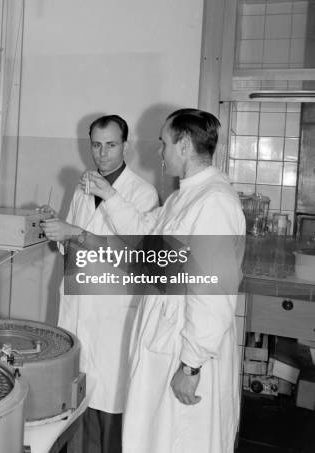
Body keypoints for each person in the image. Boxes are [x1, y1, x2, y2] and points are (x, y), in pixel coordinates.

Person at [54, 108, 245, 453]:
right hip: (166, 341)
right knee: (156, 439)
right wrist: (110, 196)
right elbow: (145, 236)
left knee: (184, 440)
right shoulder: (184, 197)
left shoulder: (214, 202)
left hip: (184, 353)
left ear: (184, 145)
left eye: (164, 143)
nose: (159, 152)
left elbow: (213, 290)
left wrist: (192, 364)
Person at [40, 114, 158, 453]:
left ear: (126, 146)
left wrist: (74, 233)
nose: (103, 153)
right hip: (79, 304)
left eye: (111, 145)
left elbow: (136, 256)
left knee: (110, 406)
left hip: (113, 312)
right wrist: (56, 226)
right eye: (96, 145)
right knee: (78, 400)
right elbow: (71, 241)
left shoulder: (143, 194)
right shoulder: (84, 186)